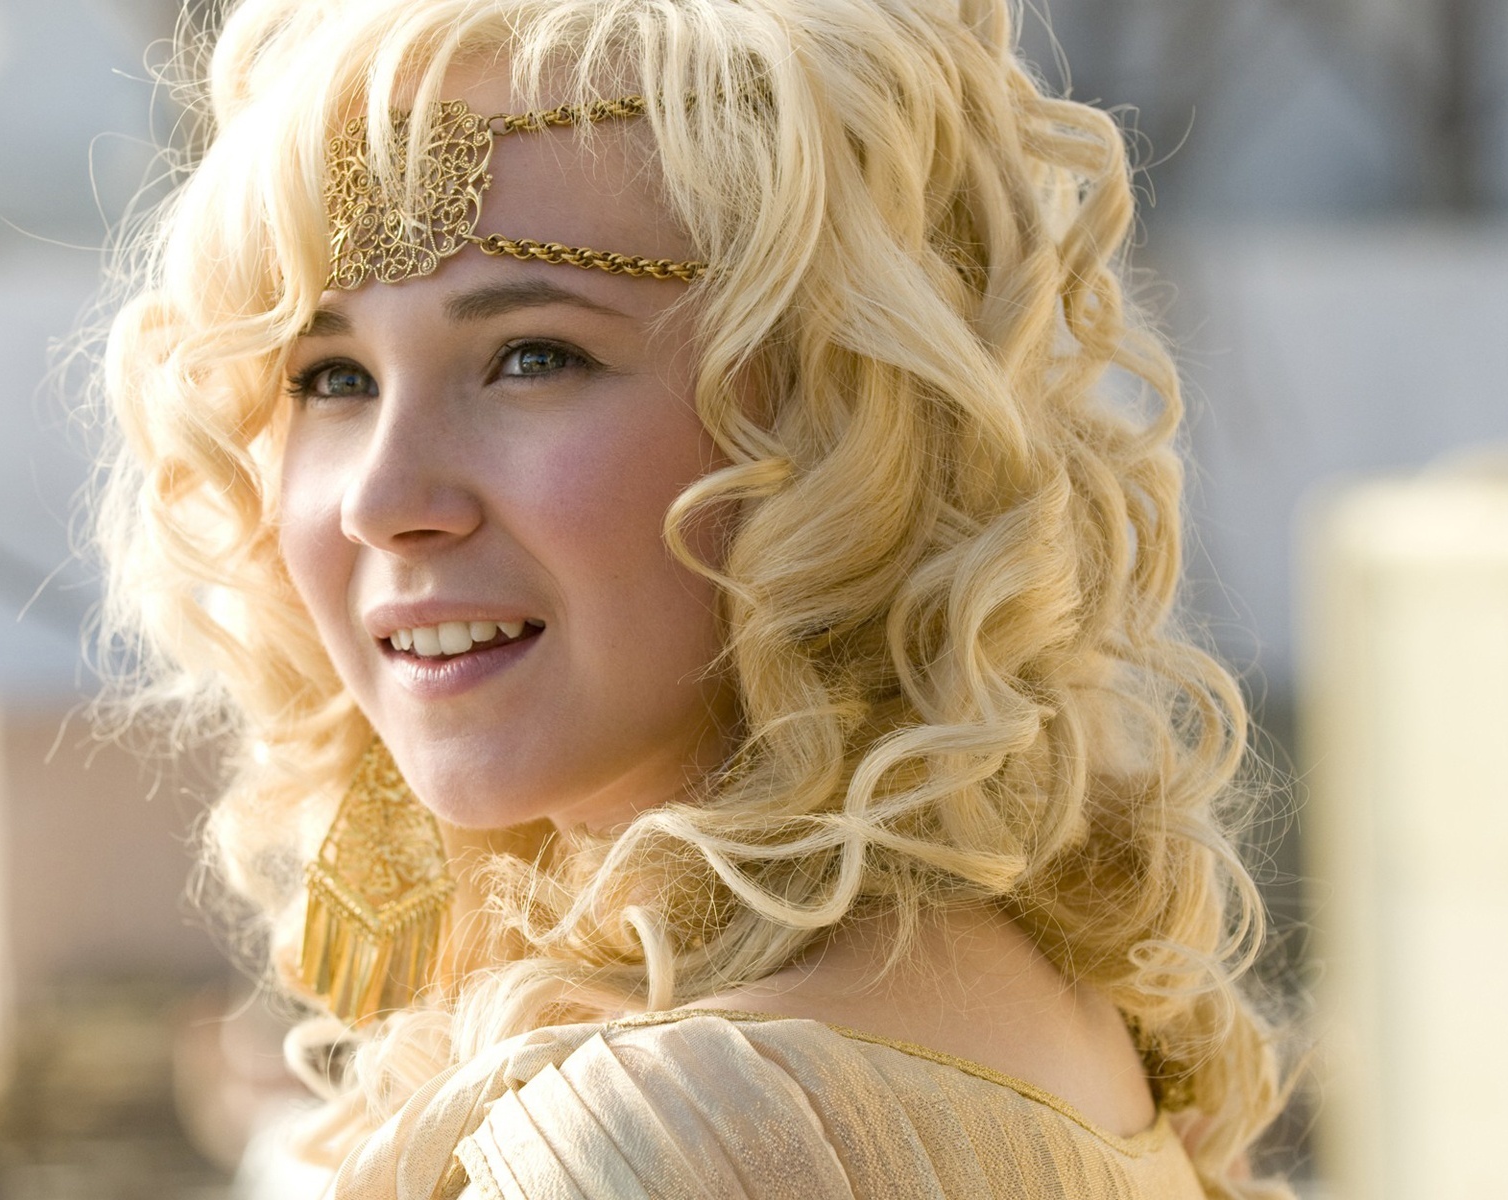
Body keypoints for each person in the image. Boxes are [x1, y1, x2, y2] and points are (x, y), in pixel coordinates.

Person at [94, 0, 1292, 1195]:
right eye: (331, 376)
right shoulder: (1023, 1001)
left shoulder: (674, 1132)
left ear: (833, 418)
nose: (383, 499)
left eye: (533, 357)